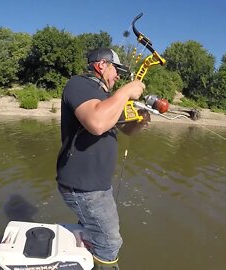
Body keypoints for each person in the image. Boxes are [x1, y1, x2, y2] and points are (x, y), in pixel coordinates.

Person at [56, 48, 149, 267]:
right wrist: (126, 91)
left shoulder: (107, 98)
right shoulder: (78, 85)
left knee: (95, 234)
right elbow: (97, 123)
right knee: (110, 243)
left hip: (97, 185)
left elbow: (129, 130)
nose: (118, 76)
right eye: (115, 69)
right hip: (84, 187)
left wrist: (142, 119)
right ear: (101, 66)